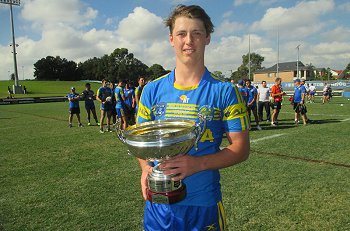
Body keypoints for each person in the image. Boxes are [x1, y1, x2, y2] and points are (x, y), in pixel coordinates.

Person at [136, 5, 250, 230]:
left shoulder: (225, 91)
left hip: (203, 205)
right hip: (158, 206)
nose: (188, 40)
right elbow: (143, 144)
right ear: (171, 39)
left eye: (196, 33)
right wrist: (145, 169)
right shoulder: (151, 90)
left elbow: (241, 148)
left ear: (207, 38)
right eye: (181, 33)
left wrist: (197, 164)